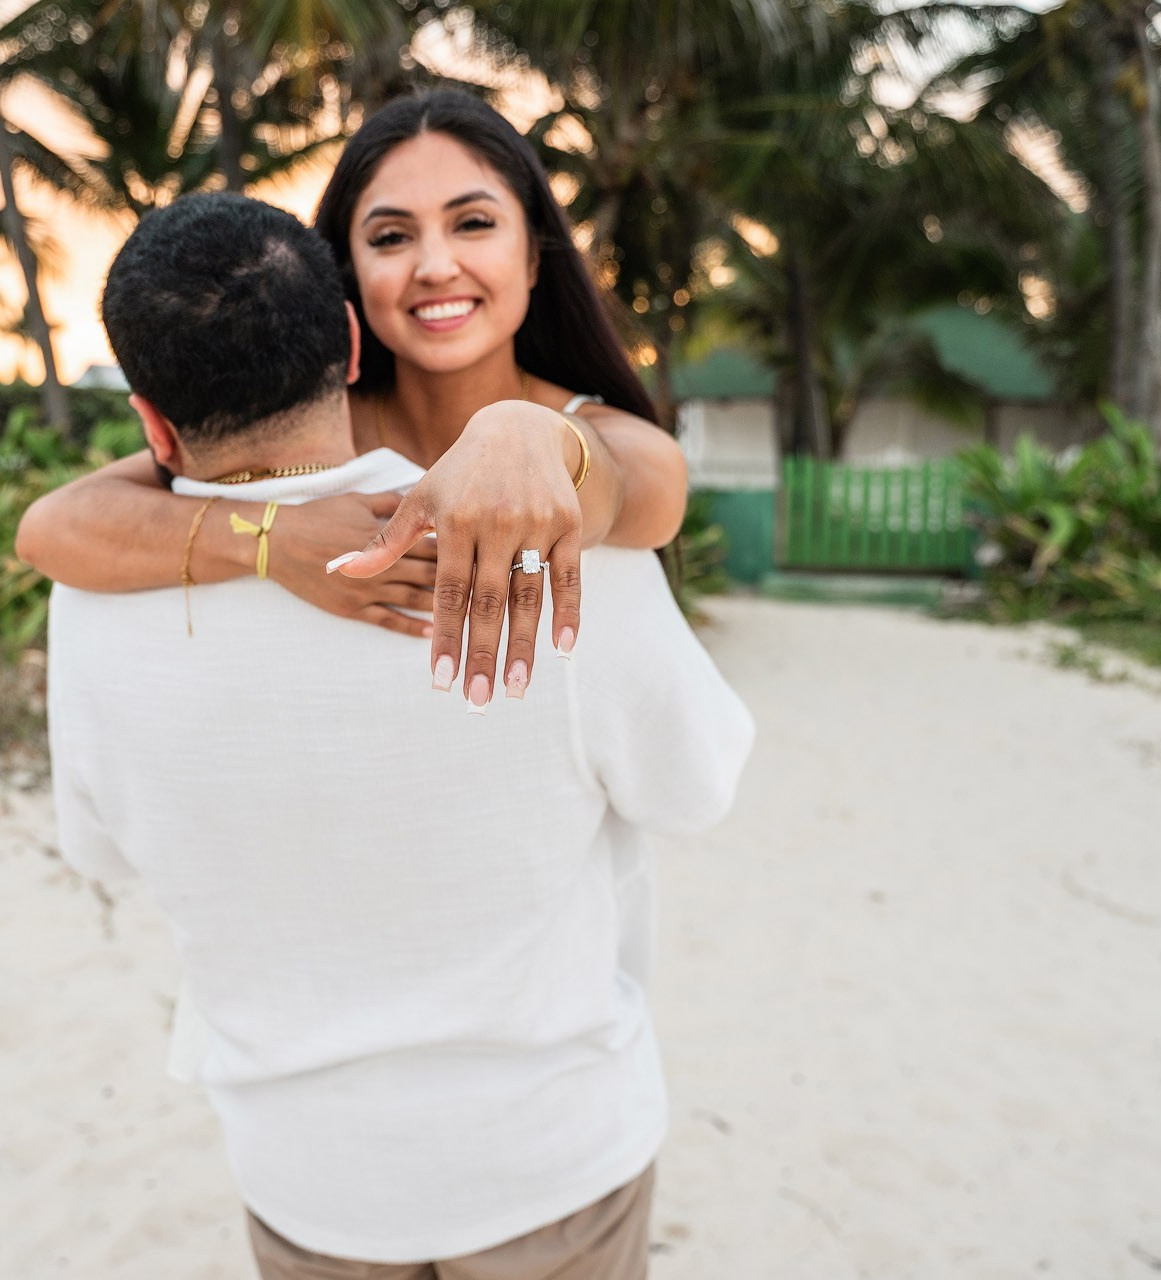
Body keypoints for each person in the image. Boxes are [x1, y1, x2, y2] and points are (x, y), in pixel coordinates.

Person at [48, 192, 753, 1277]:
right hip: (551, 1156)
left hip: (307, 1179)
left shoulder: (95, 596)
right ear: (345, 337)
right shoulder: (548, 554)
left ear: (150, 418)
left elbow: (99, 848)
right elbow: (697, 786)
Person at [16, 89, 688, 709]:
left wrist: (535, 436)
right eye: (391, 237)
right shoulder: (314, 423)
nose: (435, 266)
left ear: (534, 255)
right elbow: (53, 526)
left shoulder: (593, 430)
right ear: (348, 277)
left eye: (473, 223)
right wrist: (271, 541)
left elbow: (644, 498)